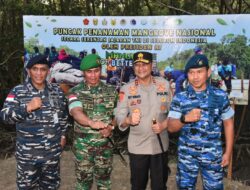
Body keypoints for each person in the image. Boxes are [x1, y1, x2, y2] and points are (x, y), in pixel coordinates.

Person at [0, 55, 69, 189]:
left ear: (48, 71)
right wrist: (27, 108)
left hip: (52, 155)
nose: (39, 73)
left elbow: (63, 117)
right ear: (28, 71)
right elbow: (4, 116)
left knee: (51, 187)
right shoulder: (18, 91)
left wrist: (63, 135)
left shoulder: (57, 92)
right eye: (35, 69)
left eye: (43, 69)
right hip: (28, 157)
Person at [167, 54, 234, 189]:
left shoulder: (220, 96)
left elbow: (229, 124)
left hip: (212, 155)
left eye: (199, 72)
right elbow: (170, 127)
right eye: (191, 72)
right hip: (187, 156)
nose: (195, 77)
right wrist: (185, 119)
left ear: (208, 72)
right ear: (187, 75)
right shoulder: (180, 98)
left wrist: (228, 152)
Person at [115, 51, 172, 190]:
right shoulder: (127, 89)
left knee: (159, 186)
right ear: (133, 68)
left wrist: (164, 124)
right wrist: (128, 120)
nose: (141, 68)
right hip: (138, 147)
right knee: (138, 185)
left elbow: (175, 112)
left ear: (151, 65)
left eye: (144, 64)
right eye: (137, 65)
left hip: (159, 145)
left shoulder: (164, 85)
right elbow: (119, 115)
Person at [67, 54, 117, 190]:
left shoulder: (112, 91)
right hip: (83, 149)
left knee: (104, 183)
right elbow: (76, 112)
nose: (93, 75)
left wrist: (111, 126)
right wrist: (91, 122)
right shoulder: (74, 92)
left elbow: (117, 114)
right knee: (83, 184)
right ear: (83, 72)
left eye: (96, 71)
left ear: (101, 70)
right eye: (89, 72)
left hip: (105, 147)